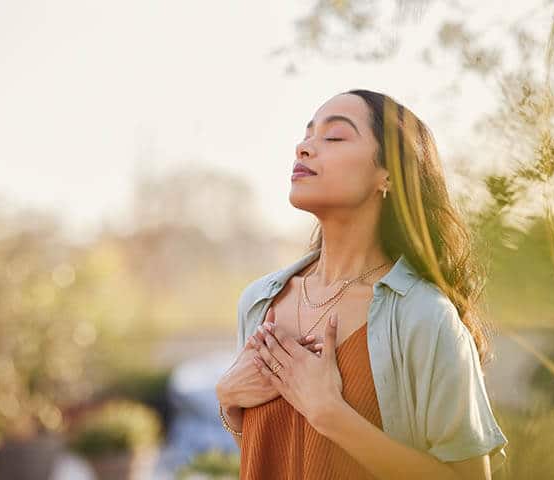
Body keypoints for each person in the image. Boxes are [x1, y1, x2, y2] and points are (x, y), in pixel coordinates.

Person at [215, 89, 508, 479]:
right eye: (307, 135)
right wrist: (229, 403)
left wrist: (330, 414)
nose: (304, 148)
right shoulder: (258, 302)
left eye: (334, 137)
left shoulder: (424, 316)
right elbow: (273, 454)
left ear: (387, 175)